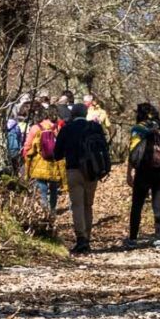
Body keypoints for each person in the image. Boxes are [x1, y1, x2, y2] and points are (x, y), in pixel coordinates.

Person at [53, 102, 111, 255]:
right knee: (88, 205)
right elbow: (104, 147)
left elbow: (57, 154)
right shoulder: (95, 127)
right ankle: (87, 237)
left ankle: (81, 239)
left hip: (73, 170)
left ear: (73, 114)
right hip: (92, 170)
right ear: (86, 114)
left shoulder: (67, 128)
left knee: (77, 205)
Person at [124, 102, 160, 249]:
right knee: (158, 205)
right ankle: (159, 238)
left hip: (143, 172)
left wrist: (129, 173)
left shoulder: (138, 129)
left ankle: (133, 238)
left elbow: (133, 152)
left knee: (137, 205)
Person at [23, 104, 65, 213]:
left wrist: (26, 157)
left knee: (42, 187)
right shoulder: (56, 128)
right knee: (54, 187)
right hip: (53, 162)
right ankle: (53, 210)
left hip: (39, 162)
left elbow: (27, 145)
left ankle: (44, 209)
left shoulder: (35, 128)